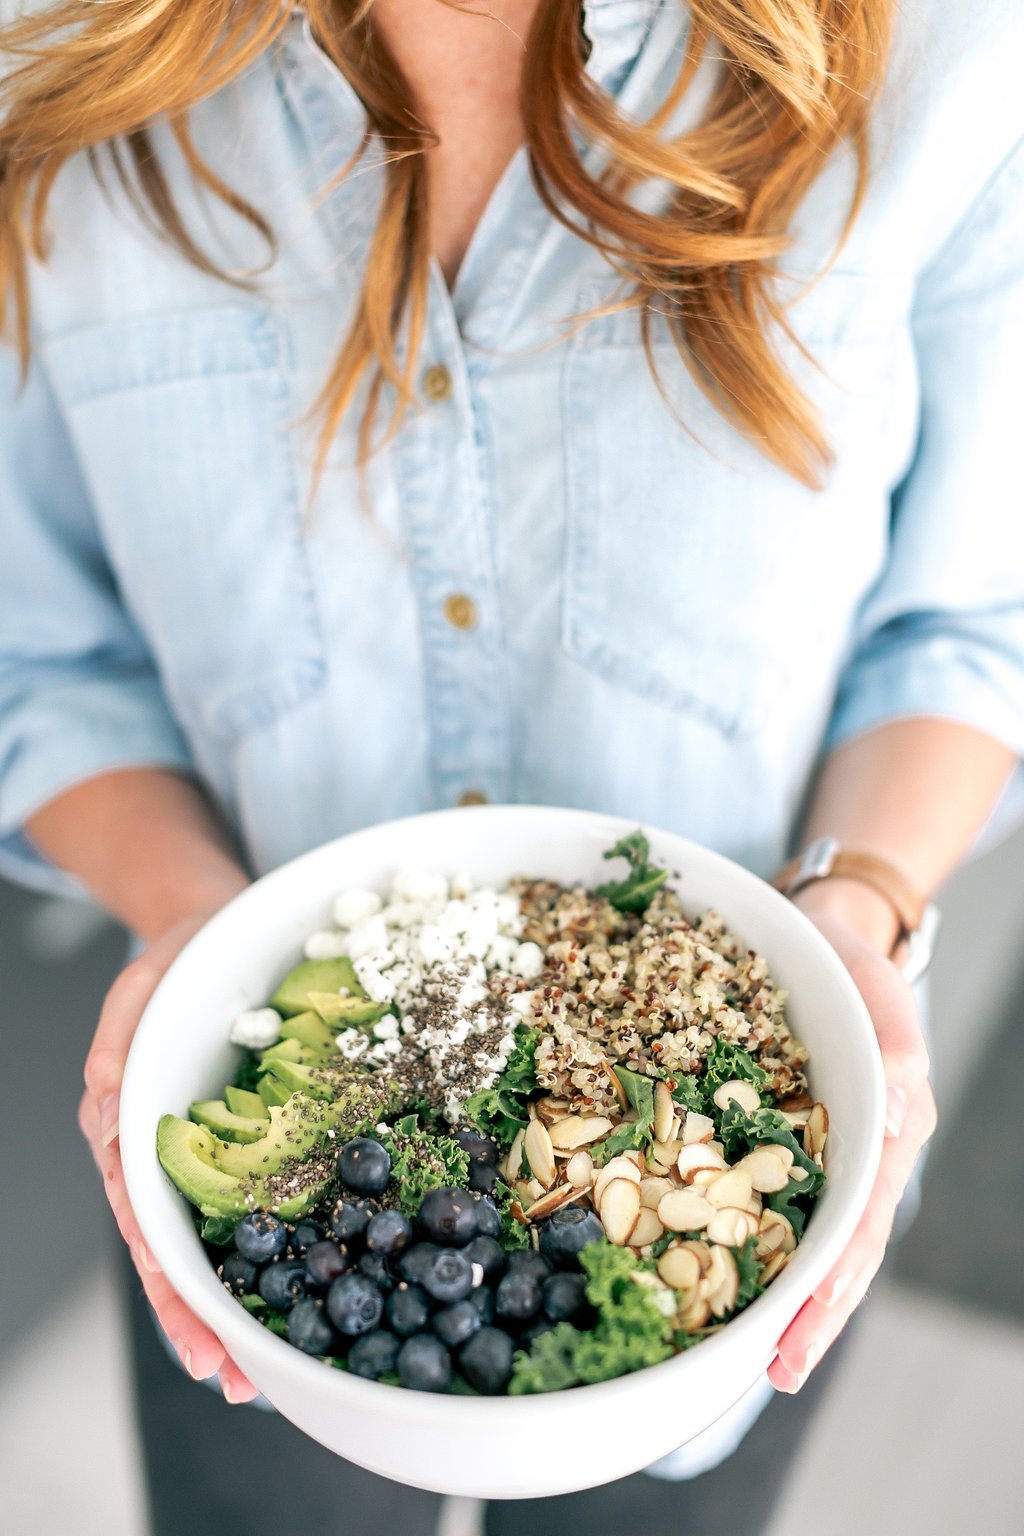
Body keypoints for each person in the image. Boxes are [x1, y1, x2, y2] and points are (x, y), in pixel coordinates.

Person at [1, 0, 1022, 1530]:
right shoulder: (52, 62)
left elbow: (966, 624)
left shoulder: (947, 53)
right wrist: (188, 927)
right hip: (266, 1192)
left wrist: (859, 908)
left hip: (748, 1203)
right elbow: (43, 660)